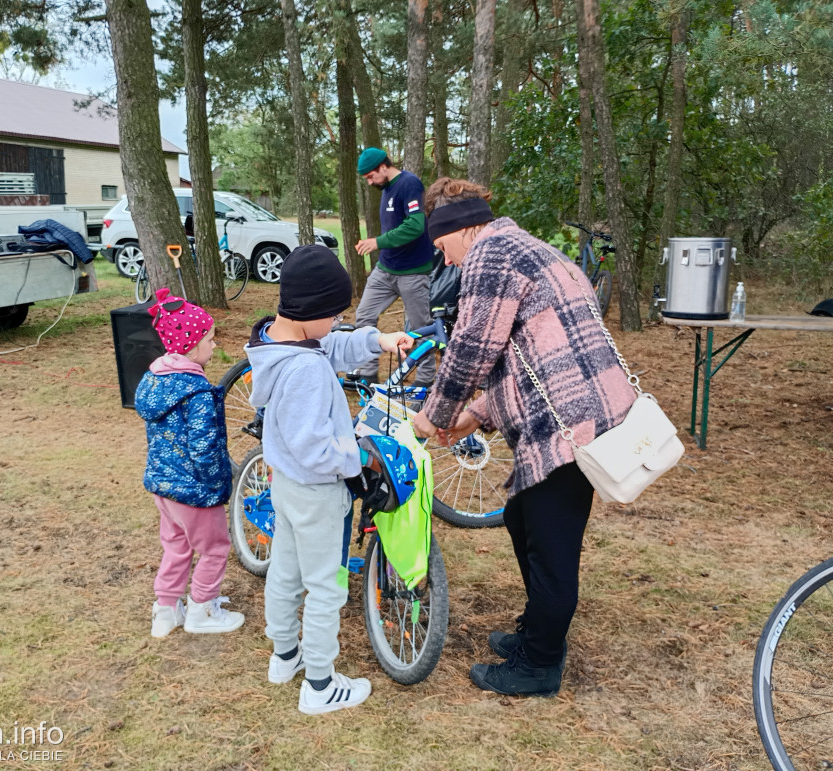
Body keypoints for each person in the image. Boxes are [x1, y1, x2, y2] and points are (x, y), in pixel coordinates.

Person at [411, 178, 637, 697]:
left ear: (462, 228)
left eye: (441, 244)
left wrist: (436, 412)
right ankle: (537, 634)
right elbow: (530, 350)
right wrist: (476, 414)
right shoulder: (525, 248)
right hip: (574, 407)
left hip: (569, 423)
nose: (443, 259)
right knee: (521, 517)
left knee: (550, 546)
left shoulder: (491, 255)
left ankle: (539, 664)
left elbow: (472, 345)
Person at [244, 244, 413, 715]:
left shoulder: (280, 342)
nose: (339, 321)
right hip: (318, 492)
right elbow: (316, 448)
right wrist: (358, 457)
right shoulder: (306, 370)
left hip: (288, 485)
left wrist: (376, 340)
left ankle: (285, 656)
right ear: (312, 312)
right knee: (326, 585)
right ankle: (319, 684)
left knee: (286, 570)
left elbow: (330, 341)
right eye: (335, 313)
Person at [136, 287, 245, 638]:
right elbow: (204, 447)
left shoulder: (156, 380)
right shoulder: (196, 393)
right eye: (210, 340)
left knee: (176, 545)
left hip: (163, 486)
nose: (215, 346)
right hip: (194, 490)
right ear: (190, 344)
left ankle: (166, 610)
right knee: (215, 548)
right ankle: (202, 609)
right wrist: (217, 485)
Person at [351, 147, 436, 387]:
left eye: (370, 176)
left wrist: (377, 242)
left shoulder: (409, 184)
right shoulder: (386, 188)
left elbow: (415, 226)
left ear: (383, 167)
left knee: (421, 328)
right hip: (386, 269)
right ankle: (367, 375)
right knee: (364, 316)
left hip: (413, 272)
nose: (369, 182)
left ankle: (425, 379)